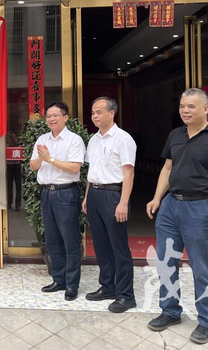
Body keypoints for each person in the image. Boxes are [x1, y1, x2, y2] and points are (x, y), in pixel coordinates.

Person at [146, 88, 208, 345]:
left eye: (191, 106)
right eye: (182, 106)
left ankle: (207, 321)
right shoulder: (175, 135)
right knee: (166, 262)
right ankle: (170, 311)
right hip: (170, 206)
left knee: (201, 266)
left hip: (201, 207)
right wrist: (157, 198)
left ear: (206, 109)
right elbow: (167, 168)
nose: (185, 110)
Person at [83, 96, 137, 313]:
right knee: (101, 245)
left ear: (112, 113)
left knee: (118, 247)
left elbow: (129, 173)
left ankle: (126, 295)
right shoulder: (94, 139)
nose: (95, 116)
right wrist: (87, 196)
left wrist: (124, 202)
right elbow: (92, 171)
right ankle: (107, 287)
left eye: (99, 112)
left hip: (114, 195)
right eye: (93, 113)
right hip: (95, 194)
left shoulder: (123, 139)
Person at [29, 101, 85, 301]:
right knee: (52, 239)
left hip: (65, 193)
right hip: (47, 193)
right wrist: (42, 158)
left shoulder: (74, 140)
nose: (51, 119)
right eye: (48, 116)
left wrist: (50, 159)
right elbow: (33, 166)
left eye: (55, 115)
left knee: (70, 239)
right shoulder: (42, 139)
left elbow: (74, 168)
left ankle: (72, 284)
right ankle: (59, 279)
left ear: (65, 118)